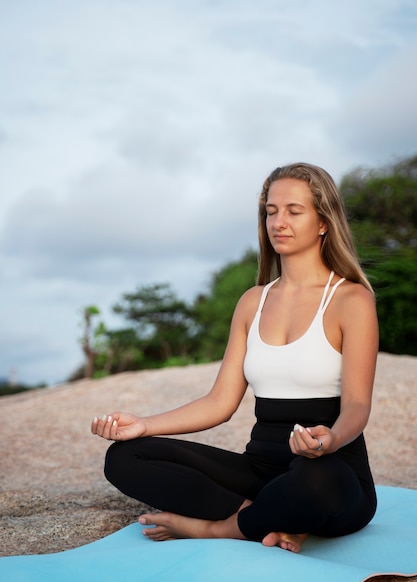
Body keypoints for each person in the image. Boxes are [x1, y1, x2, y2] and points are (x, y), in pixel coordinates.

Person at [91, 162, 378, 553]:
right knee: (125, 457)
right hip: (259, 472)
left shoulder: (352, 300)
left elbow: (358, 406)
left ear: (323, 222)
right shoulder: (252, 302)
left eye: (294, 211)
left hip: (330, 472)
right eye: (271, 211)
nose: (279, 221)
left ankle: (219, 528)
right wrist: (143, 425)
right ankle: (263, 516)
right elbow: (220, 402)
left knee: (313, 482)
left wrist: (331, 439)